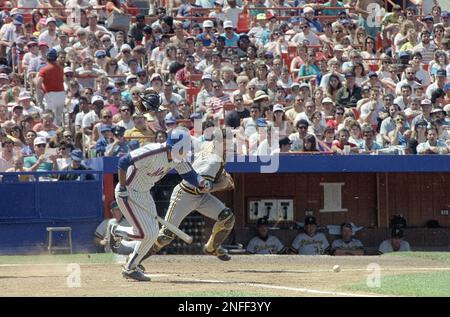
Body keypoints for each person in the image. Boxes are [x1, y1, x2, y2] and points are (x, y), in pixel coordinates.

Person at [109, 127, 212, 281]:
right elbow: (123, 162)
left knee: (153, 233)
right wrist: (123, 187)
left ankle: (131, 264)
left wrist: (201, 181)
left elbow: (188, 173)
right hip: (128, 193)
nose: (182, 152)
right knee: (147, 234)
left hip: (144, 194)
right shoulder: (153, 151)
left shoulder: (178, 158)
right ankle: (118, 234)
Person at [137, 130, 235, 263]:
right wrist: (223, 184)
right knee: (165, 236)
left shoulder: (208, 145)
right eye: (225, 141)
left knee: (227, 218)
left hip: (201, 198)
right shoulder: (212, 161)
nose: (229, 144)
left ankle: (211, 247)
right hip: (185, 195)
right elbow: (201, 187)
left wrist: (222, 174)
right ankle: (135, 260)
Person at [35, 49, 65, 125]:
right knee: (59, 117)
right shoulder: (60, 69)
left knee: (51, 116)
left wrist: (44, 89)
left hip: (51, 94)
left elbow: (38, 84)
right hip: (62, 94)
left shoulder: (44, 69)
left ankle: (54, 134)